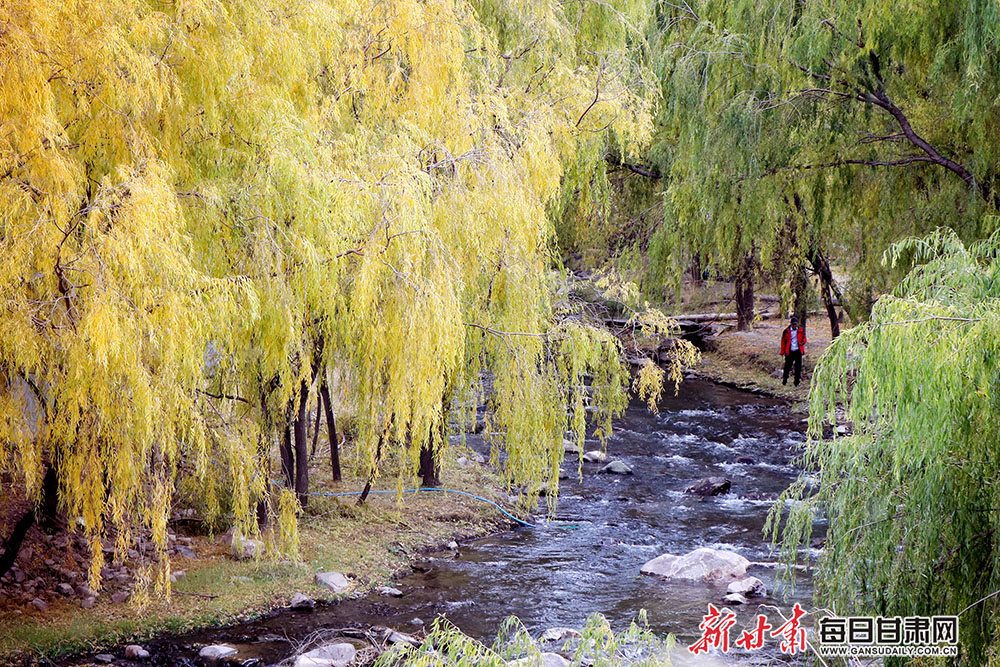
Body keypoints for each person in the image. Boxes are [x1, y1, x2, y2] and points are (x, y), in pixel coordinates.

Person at [780, 315, 807, 386]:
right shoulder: (786, 331)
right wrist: (782, 352)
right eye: (793, 324)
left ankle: (796, 383)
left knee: (798, 368)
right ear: (791, 324)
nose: (795, 325)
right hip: (789, 351)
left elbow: (804, 338)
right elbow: (783, 342)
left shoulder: (801, 330)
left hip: (798, 351)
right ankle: (784, 380)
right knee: (787, 367)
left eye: (796, 324)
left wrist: (803, 342)